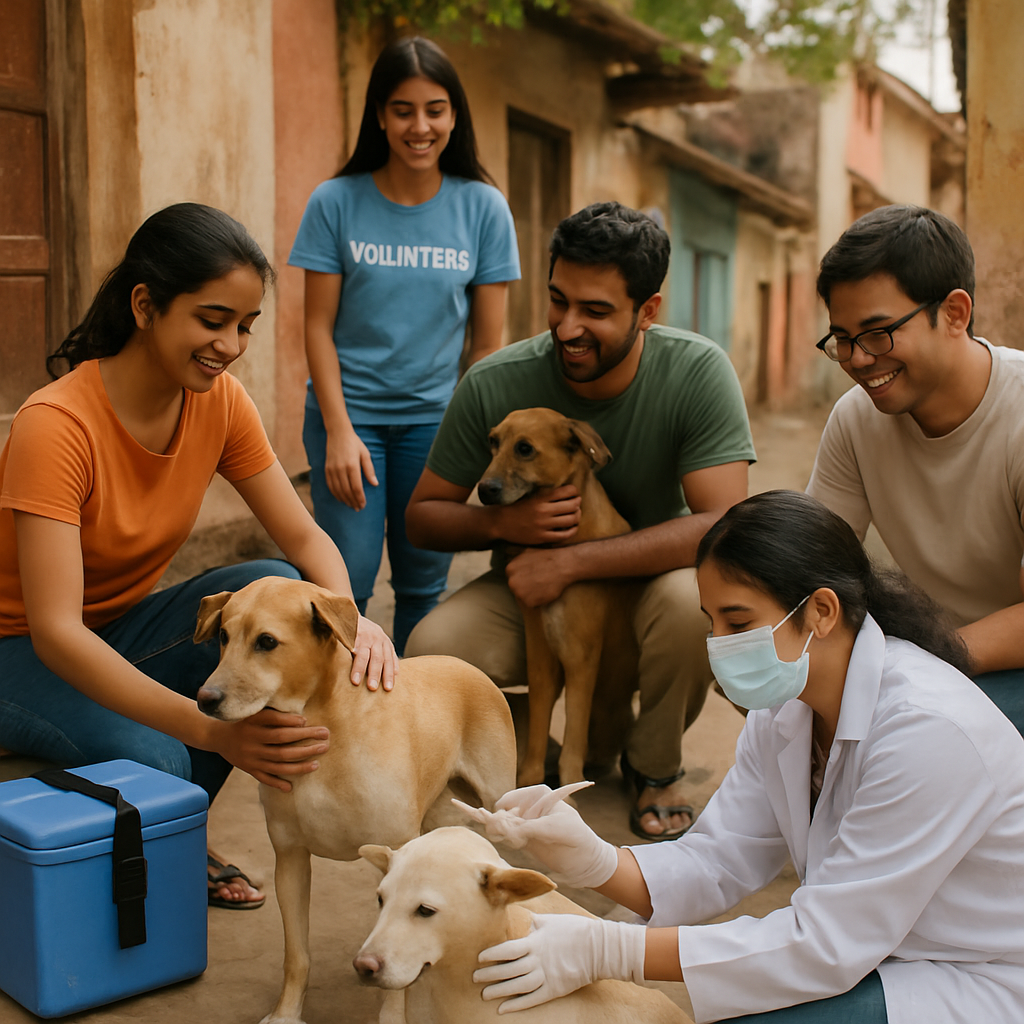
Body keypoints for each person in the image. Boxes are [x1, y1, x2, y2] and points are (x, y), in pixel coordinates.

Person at [464, 490, 1024, 1024]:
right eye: (711, 622)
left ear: (821, 611)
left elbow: (824, 944)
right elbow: (720, 859)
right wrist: (593, 859)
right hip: (888, 951)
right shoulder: (787, 708)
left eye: (737, 622)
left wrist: (610, 950)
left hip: (978, 976)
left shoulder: (926, 730)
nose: (719, 644)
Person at [0, 203, 397, 910]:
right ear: (145, 306)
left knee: (268, 583)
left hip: (116, 629)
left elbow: (305, 541)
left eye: (245, 325)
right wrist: (211, 732)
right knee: (162, 757)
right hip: (17, 651)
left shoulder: (220, 404)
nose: (231, 345)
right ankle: (171, 833)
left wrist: (352, 619)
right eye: (213, 321)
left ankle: (174, 832)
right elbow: (56, 633)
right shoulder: (55, 426)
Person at [404, 201, 755, 840]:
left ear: (647, 311)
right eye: (557, 301)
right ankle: (532, 751)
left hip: (649, 585)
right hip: (531, 588)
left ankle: (653, 766)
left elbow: (724, 523)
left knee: (693, 607)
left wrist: (571, 561)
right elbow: (423, 519)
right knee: (434, 648)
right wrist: (503, 528)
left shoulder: (697, 372)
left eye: (594, 311)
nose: (568, 328)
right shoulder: (496, 381)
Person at [288, 36, 520, 655]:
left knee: (423, 586)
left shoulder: (484, 208)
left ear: (454, 115)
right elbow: (316, 327)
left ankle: (409, 705)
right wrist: (339, 431)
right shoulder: (335, 202)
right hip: (350, 419)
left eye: (435, 110)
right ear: (379, 116)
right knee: (345, 587)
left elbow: (486, 347)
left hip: (435, 425)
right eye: (403, 110)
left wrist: (473, 439)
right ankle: (340, 706)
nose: (420, 126)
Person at [805, 204, 1024, 736]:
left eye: (878, 332)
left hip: (998, 662)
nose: (858, 359)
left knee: (922, 740)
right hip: (930, 658)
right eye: (842, 338)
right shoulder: (856, 420)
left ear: (955, 313)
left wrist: (914, 665)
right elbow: (811, 564)